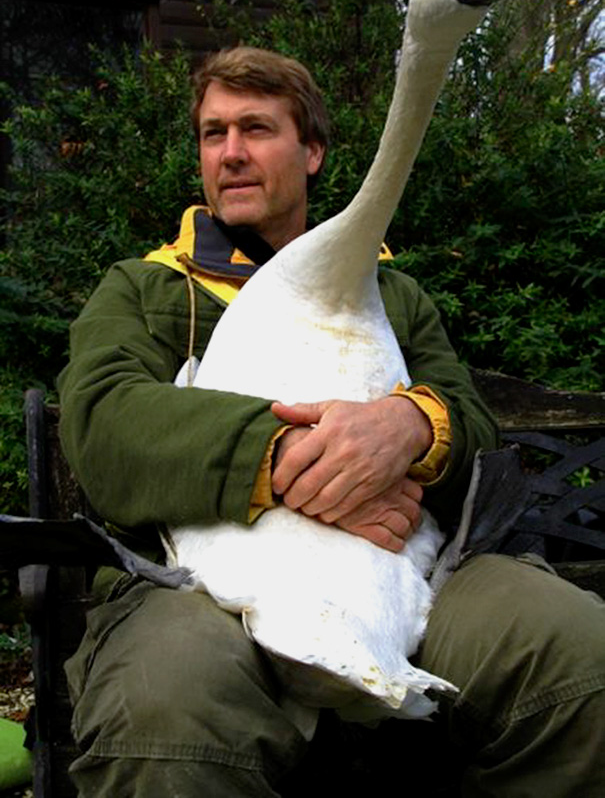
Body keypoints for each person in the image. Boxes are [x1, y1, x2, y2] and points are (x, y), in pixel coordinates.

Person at [58, 46, 605, 797]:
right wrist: (291, 458)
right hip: (193, 592)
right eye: (213, 134)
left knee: (576, 654)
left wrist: (413, 427)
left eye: (256, 129)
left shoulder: (393, 295)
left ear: (311, 151)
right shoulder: (146, 290)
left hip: (411, 575)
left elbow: (467, 413)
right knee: (166, 704)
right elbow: (103, 421)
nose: (231, 153)